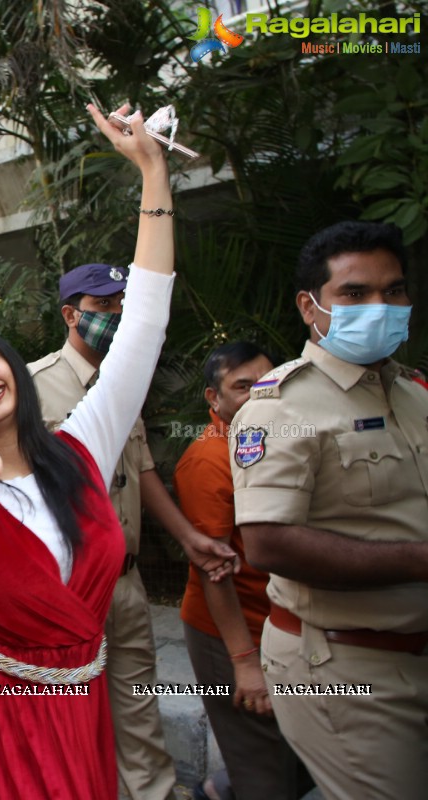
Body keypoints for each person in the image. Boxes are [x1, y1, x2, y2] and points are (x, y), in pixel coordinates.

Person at [0, 102, 186, 799]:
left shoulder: (83, 446)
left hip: (82, 708)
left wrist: (153, 173)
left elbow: (146, 321)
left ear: (12, 363)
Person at [231, 220, 428, 799]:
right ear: (310, 307)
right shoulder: (281, 405)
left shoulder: (412, 391)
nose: (380, 306)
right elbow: (268, 542)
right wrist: (422, 561)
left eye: (393, 291)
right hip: (340, 665)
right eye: (355, 293)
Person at [30, 259, 241, 800]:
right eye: (104, 307)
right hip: (68, 586)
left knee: (138, 708)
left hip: (126, 581)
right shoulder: (31, 388)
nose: (117, 316)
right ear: (71, 314)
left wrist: (188, 539)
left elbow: (141, 468)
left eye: (122, 306)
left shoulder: (122, 382)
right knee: (71, 717)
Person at [176, 342, 315, 800]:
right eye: (244, 387)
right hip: (232, 632)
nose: (261, 395)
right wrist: (244, 663)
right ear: (214, 399)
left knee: (300, 754)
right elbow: (212, 567)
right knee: (264, 768)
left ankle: (219, 790)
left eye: (269, 381)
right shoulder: (209, 459)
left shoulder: (284, 437)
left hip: (285, 625)